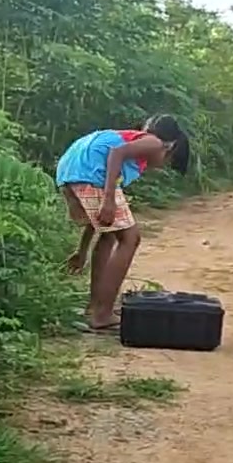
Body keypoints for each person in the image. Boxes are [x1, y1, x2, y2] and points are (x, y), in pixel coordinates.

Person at [55, 114, 190, 331]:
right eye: (168, 161)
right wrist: (108, 199)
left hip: (70, 170)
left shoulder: (127, 140)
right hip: (89, 173)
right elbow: (116, 154)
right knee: (130, 237)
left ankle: (95, 307)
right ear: (170, 146)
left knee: (109, 233)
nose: (161, 165)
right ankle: (102, 313)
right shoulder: (153, 142)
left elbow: (101, 220)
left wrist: (82, 251)